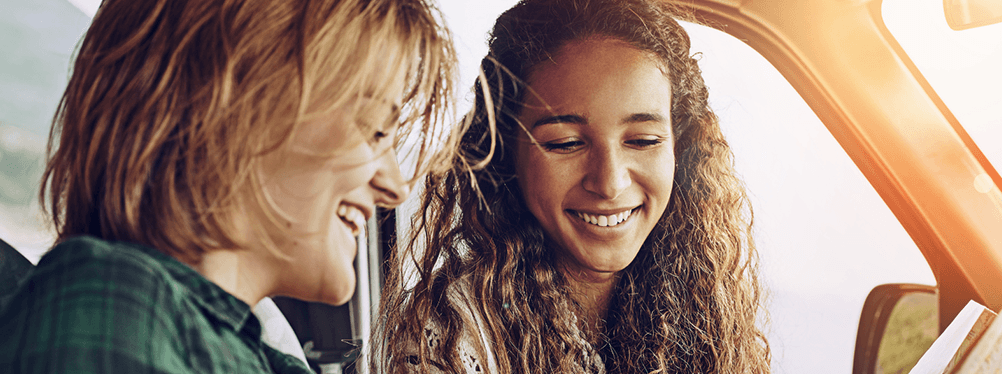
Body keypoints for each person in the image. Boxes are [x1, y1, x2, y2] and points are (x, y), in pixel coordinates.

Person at [0, 0, 457, 372]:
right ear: (234, 109)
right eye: (376, 130)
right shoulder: (112, 312)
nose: (395, 188)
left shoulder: (241, 348)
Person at [372, 0, 771, 372]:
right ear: (506, 155)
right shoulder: (449, 338)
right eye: (565, 143)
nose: (610, 182)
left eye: (643, 140)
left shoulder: (703, 304)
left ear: (680, 151)